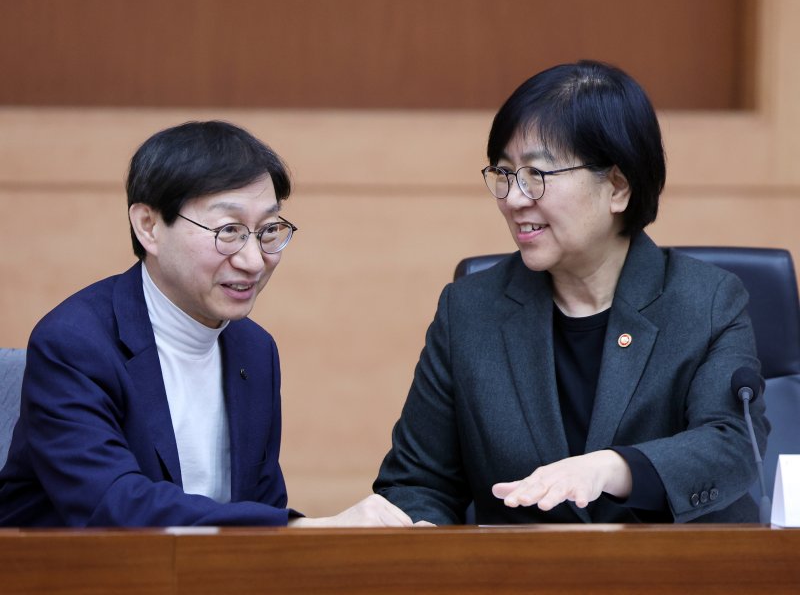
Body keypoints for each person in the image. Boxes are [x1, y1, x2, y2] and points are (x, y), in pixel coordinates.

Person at [373, 60, 769, 524]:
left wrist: (612, 468)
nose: (514, 198)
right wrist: (418, 530)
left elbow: (732, 444)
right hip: (519, 568)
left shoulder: (707, 300)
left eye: (536, 175)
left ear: (617, 187)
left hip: (673, 565)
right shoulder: (469, 311)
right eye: (504, 174)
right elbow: (417, 483)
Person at [0, 120, 412, 528]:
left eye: (268, 230)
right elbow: (115, 507)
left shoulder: (254, 349)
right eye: (229, 231)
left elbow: (261, 506)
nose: (253, 261)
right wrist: (299, 529)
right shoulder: (74, 343)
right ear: (149, 226)